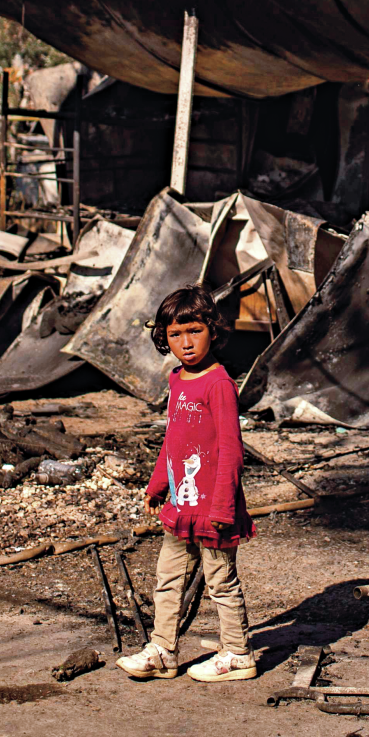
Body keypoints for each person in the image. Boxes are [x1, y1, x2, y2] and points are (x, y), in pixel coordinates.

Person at [116, 285, 256, 683]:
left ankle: (237, 654)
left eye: (193, 331)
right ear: (165, 339)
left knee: (220, 582)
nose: (186, 343)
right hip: (180, 504)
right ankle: (163, 649)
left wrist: (224, 508)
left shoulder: (219, 384)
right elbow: (173, 439)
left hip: (214, 508)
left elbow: (231, 451)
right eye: (175, 335)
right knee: (169, 578)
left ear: (211, 329)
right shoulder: (178, 381)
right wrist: (156, 485)